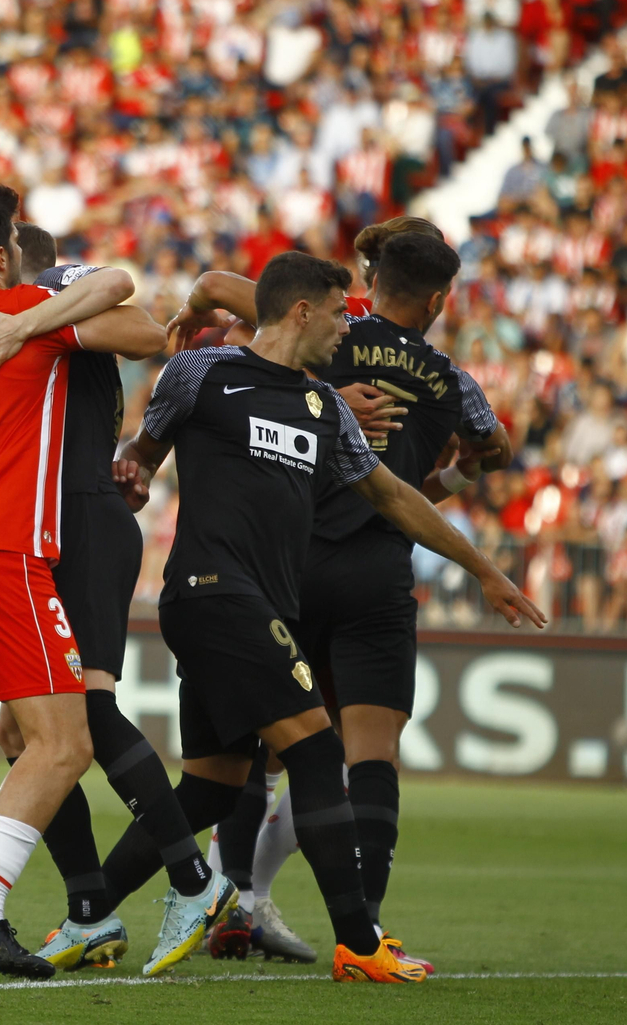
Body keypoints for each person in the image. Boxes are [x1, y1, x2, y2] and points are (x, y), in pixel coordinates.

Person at [101, 251, 544, 984]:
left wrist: (486, 568)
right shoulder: (200, 372)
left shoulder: (326, 407)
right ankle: (358, 942)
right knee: (312, 751)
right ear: (303, 312)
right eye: (340, 313)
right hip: (213, 591)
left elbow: (397, 496)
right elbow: (141, 452)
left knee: (211, 787)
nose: (349, 327)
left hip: (254, 605)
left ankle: (88, 913)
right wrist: (132, 473)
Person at [0, 222, 235, 977]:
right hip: (33, 535)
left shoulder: (52, 294)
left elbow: (146, 329)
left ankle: (195, 880)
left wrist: (35, 313)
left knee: (82, 713)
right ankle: (91, 909)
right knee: (23, 739)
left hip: (80, 519)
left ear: (16, 259)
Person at [208, 232, 512, 972]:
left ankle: (236, 903)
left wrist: (197, 314)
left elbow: (225, 290)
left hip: (291, 559)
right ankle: (365, 933)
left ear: (370, 282)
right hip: (377, 567)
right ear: (439, 300)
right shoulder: (450, 379)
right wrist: (470, 471)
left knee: (266, 743)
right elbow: (479, 450)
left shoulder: (326, 334)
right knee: (369, 755)